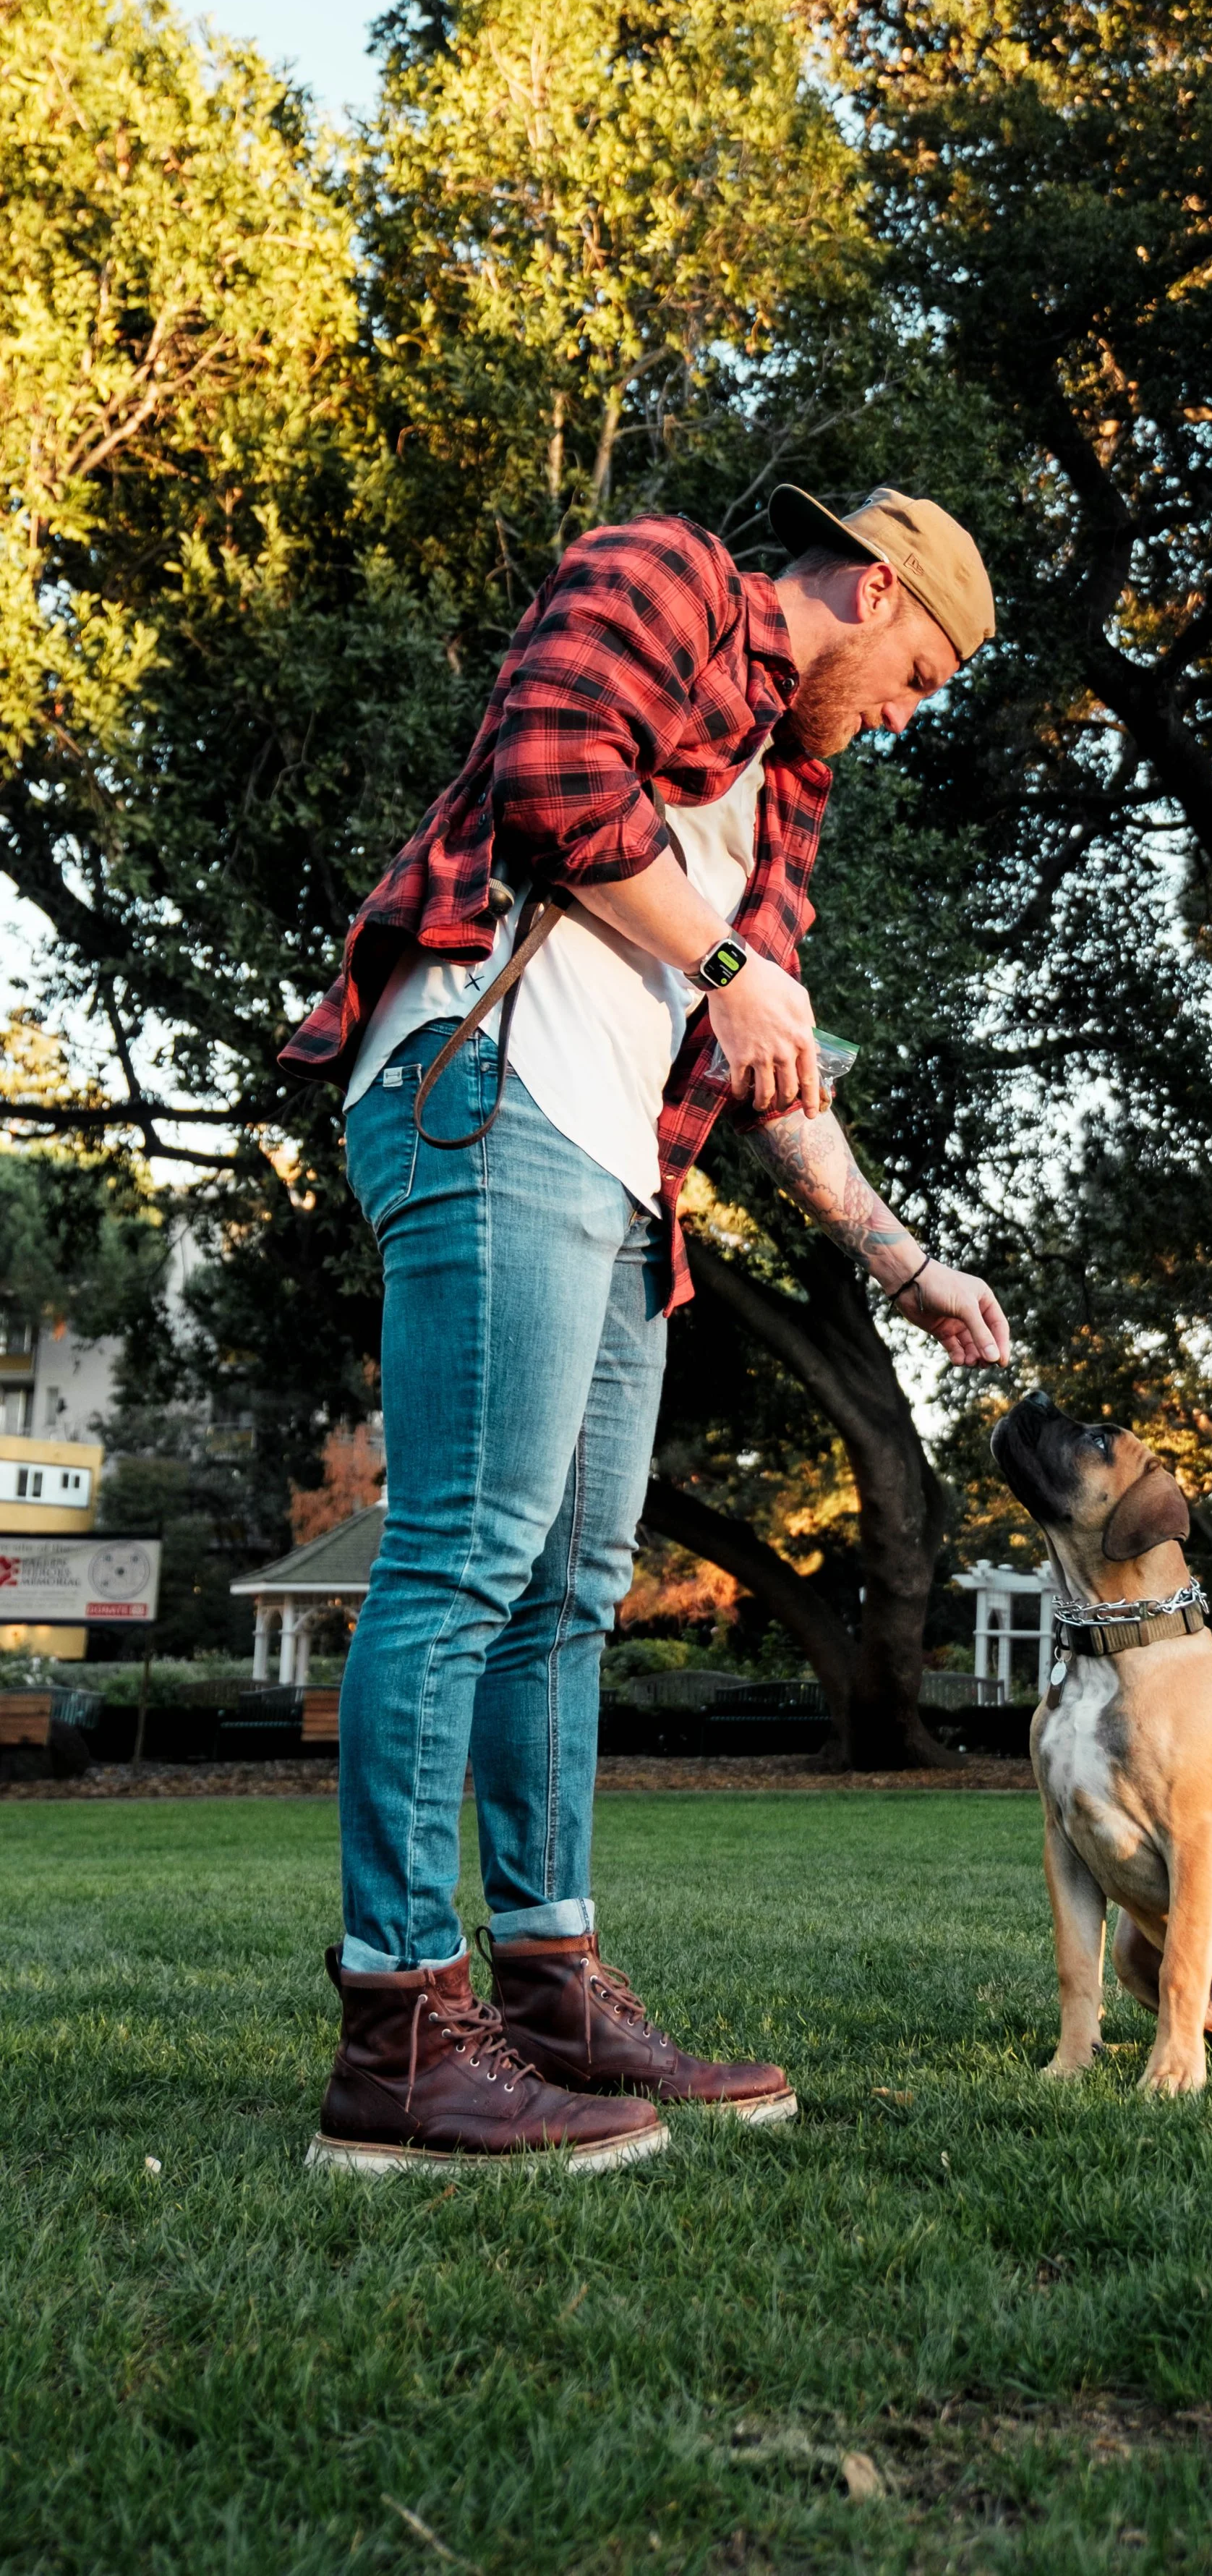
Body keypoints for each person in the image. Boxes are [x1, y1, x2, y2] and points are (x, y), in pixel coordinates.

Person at [280, 483, 1012, 2173]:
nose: (905, 715)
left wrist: (904, 1262)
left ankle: (547, 1992)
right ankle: (397, 2031)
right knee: (466, 1555)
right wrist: (725, 969)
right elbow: (547, 770)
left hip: (624, 1180)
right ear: (874, 588)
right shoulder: (672, 573)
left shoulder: (789, 786)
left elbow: (766, 1049)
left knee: (570, 1593)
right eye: (918, 674)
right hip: (487, 1090)